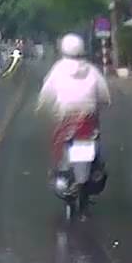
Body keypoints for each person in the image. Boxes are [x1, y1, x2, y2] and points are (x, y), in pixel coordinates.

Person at [36, 33, 111, 175]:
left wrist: (42, 108)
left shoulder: (57, 69)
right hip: (88, 117)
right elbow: (104, 95)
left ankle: (60, 168)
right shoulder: (92, 70)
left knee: (59, 143)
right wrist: (101, 104)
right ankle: (97, 165)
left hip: (65, 118)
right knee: (96, 138)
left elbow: (46, 95)